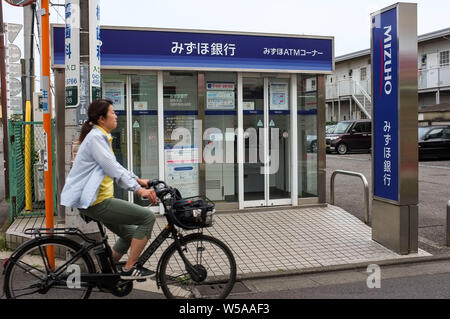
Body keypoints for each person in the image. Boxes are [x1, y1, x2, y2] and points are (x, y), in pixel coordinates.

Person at [61, 98, 158, 280]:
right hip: (97, 202)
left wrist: (137, 179)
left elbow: (115, 166)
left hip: (97, 200)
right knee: (148, 217)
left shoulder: (101, 136)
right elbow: (112, 169)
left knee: (129, 234)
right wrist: (139, 190)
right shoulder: (97, 138)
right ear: (101, 119)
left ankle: (105, 274)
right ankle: (129, 268)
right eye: (112, 112)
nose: (116, 116)